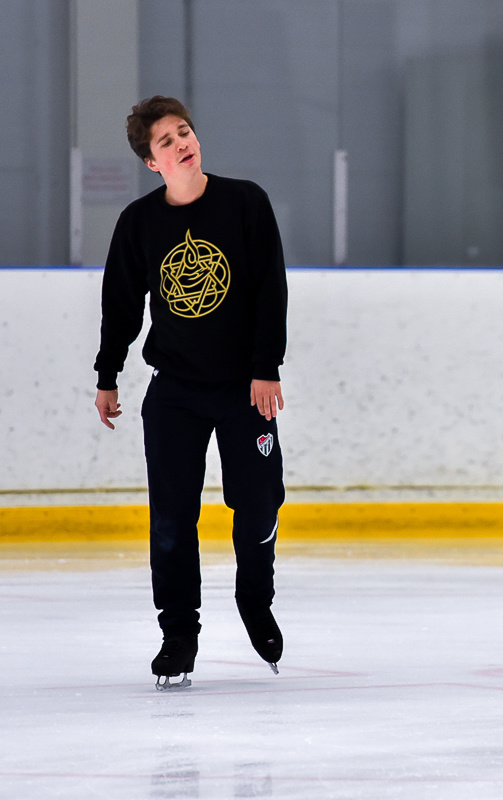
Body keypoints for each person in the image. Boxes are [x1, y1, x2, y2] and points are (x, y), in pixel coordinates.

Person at [93, 96, 288, 689]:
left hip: (244, 387)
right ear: (152, 162)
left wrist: (266, 367)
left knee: (259, 503)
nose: (182, 143)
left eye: (185, 131)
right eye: (166, 141)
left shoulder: (245, 202)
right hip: (174, 391)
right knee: (172, 519)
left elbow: (269, 287)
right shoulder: (140, 222)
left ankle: (255, 600)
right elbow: (121, 304)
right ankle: (178, 633)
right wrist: (108, 374)